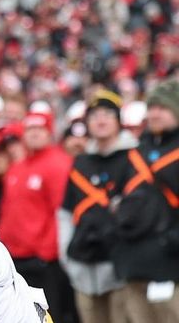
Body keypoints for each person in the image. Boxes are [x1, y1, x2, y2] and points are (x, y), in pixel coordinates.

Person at [57, 89, 135, 323]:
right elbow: (65, 212)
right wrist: (67, 258)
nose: (100, 120)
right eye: (94, 115)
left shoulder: (133, 158)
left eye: (107, 114)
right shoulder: (80, 162)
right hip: (83, 268)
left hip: (121, 270)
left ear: (118, 121)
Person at [0, 110, 78, 323]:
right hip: (15, 258)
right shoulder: (18, 166)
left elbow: (61, 214)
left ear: (49, 132)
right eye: (30, 128)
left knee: (49, 315)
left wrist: (46, 253)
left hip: (42, 261)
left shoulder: (57, 163)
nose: (34, 134)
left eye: (39, 129)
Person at [115, 79, 179, 323]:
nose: (154, 113)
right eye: (151, 108)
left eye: (162, 108)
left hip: (171, 269)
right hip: (134, 266)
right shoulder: (136, 151)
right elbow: (116, 199)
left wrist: (172, 241)